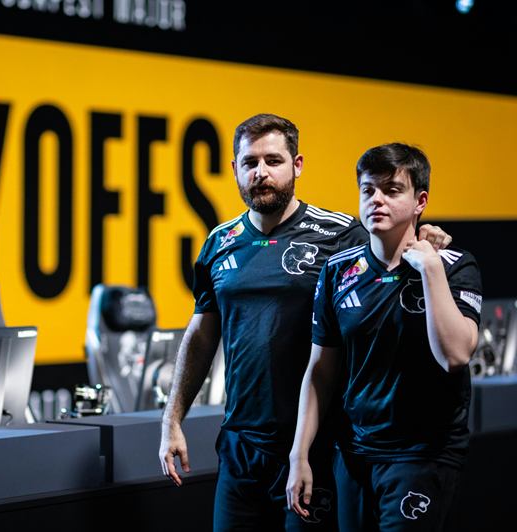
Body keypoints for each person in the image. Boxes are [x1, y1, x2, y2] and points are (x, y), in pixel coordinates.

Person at [159, 115, 451, 531]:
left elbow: (396, 253)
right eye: (250, 162)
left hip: (318, 447)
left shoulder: (341, 235)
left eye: (273, 160)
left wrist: (427, 236)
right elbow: (202, 336)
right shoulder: (218, 243)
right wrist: (172, 419)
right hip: (240, 448)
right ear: (235, 169)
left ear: (297, 165)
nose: (261, 172)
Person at [286, 143, 481, 531]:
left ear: (420, 201)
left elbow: (456, 356)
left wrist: (429, 268)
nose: (377, 199)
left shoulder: (453, 266)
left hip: (423, 454)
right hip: (355, 452)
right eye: (368, 190)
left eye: (392, 190)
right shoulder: (338, 270)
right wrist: (299, 454)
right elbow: (320, 372)